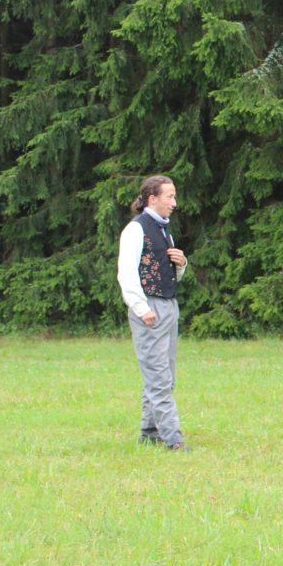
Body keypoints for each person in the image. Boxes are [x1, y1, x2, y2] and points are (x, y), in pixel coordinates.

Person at [117, 175, 191, 450]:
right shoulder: (135, 229)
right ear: (152, 199)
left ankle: (149, 433)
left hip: (168, 305)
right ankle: (174, 440)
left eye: (174, 196)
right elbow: (126, 273)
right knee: (159, 377)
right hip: (149, 307)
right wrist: (141, 307)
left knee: (164, 375)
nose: (174, 202)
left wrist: (181, 263)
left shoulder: (164, 230)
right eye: (169, 197)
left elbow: (168, 273)